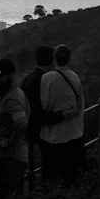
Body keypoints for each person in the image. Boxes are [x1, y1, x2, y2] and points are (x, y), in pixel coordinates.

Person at [39, 45, 85, 185]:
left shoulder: (47, 78)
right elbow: (80, 105)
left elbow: (44, 105)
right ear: (69, 59)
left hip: (54, 137)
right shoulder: (74, 77)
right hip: (74, 134)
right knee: (72, 178)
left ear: (55, 59)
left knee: (52, 180)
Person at [20, 46, 64, 185]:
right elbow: (39, 113)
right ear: (51, 61)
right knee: (52, 165)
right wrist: (60, 116)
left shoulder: (29, 77)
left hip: (29, 129)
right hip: (39, 130)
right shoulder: (42, 80)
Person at [0, 58, 29, 199]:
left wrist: (10, 142)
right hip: (14, 156)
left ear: (11, 75)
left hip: (12, 158)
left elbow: (22, 123)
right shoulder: (16, 93)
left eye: (1, 76)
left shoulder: (11, 99)